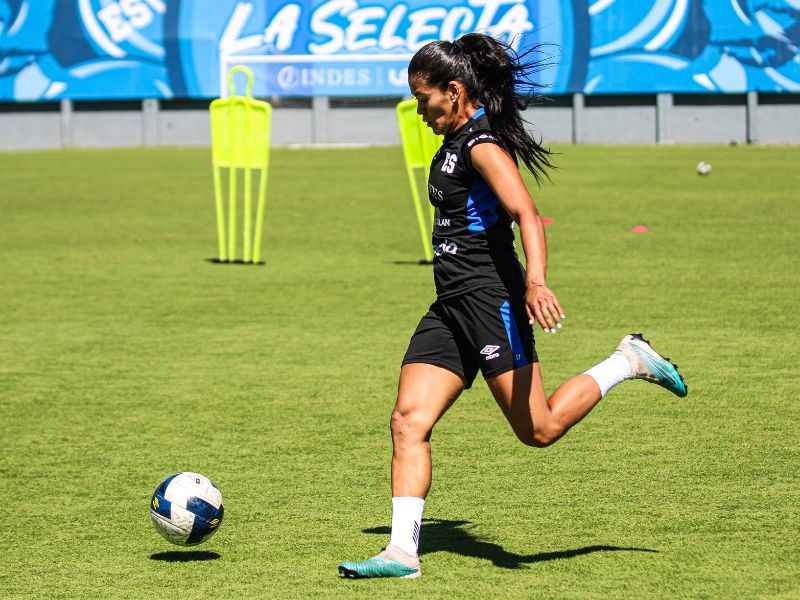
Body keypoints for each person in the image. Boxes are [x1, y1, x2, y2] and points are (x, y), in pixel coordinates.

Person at [338, 33, 687, 580]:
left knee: (538, 430)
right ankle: (401, 554)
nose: (418, 109)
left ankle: (628, 360)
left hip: (490, 301)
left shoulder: (481, 145)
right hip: (450, 306)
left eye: (423, 98)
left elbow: (527, 213)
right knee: (407, 421)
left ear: (454, 92)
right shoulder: (452, 143)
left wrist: (536, 283)